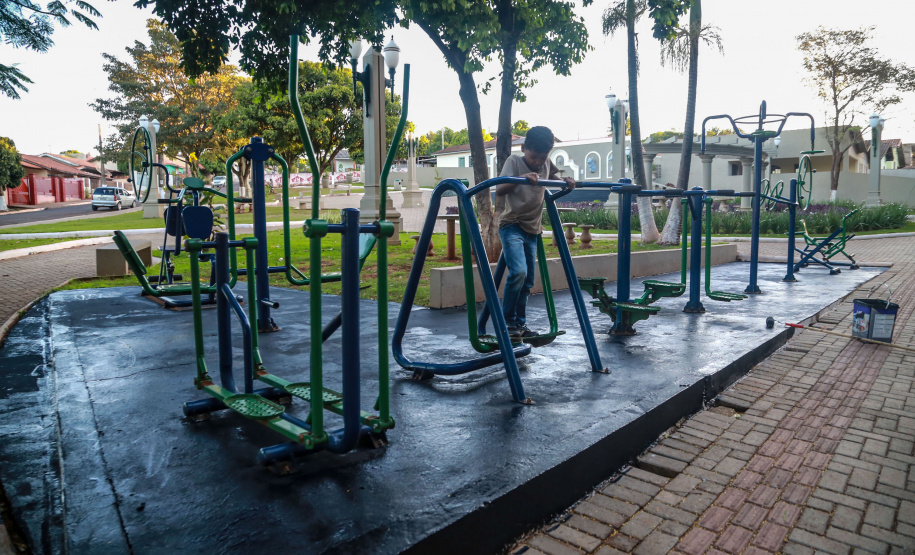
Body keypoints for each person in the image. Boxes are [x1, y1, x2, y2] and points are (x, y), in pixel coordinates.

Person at [495, 126, 575, 339]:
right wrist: (521, 177)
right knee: (518, 272)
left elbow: (556, 181)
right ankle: (508, 322)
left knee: (528, 280)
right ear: (523, 148)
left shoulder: (546, 164)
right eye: (534, 157)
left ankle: (520, 324)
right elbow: (499, 189)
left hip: (532, 229)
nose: (538, 162)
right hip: (511, 224)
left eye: (543, 157)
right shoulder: (514, 161)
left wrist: (567, 183)